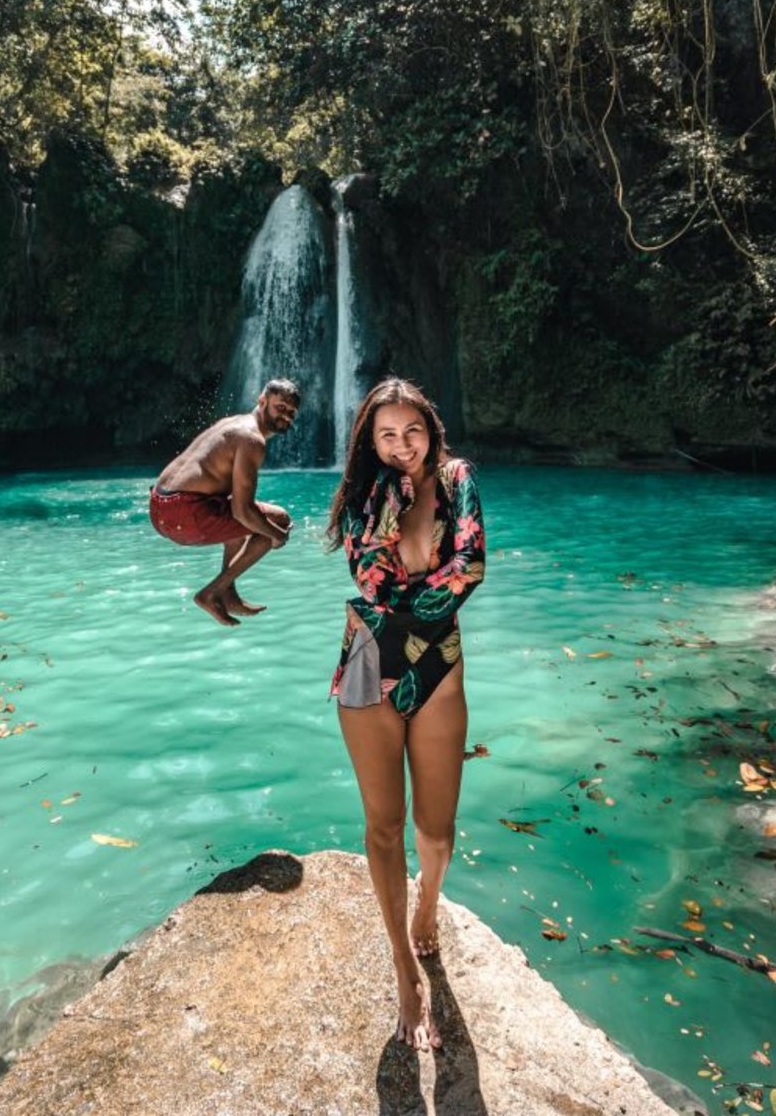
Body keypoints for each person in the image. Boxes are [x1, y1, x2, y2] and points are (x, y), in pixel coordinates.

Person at [325, 377, 485, 1052]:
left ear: (431, 430)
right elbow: (371, 581)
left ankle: (428, 902)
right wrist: (393, 498)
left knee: (436, 830)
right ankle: (402, 966)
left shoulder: (457, 481)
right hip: (367, 662)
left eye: (411, 432)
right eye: (386, 436)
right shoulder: (367, 495)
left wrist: (417, 595)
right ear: (371, 440)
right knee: (383, 827)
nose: (400, 446)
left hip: (436, 665)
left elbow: (469, 565)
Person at [149, 379, 300, 626]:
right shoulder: (252, 439)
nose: (286, 416)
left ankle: (228, 593)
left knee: (239, 513)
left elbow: (236, 508)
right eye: (280, 407)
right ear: (262, 401)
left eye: (291, 413)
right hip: (183, 514)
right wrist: (278, 535)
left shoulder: (232, 424)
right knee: (278, 520)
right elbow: (243, 511)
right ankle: (212, 592)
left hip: (159, 508)